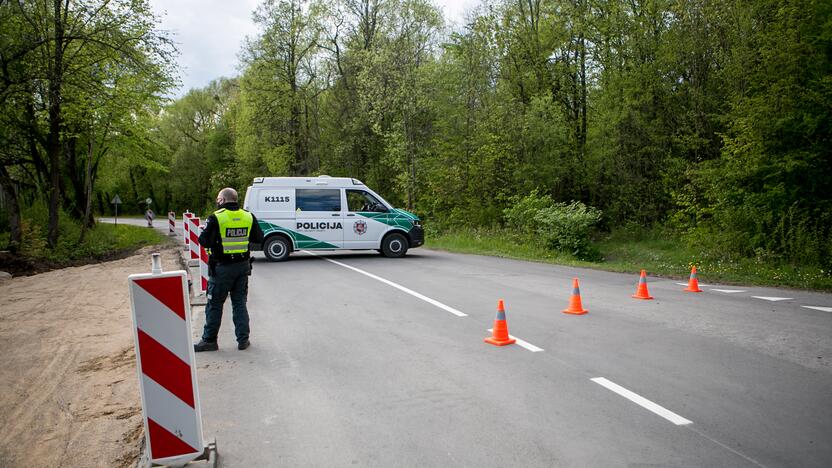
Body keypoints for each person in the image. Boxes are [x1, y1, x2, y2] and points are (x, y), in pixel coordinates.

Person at [194, 187, 264, 352]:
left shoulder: (216, 218)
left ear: (222, 200)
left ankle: (209, 340)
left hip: (222, 269)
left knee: (215, 304)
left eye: (218, 199)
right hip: (242, 267)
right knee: (239, 303)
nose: (217, 201)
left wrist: (209, 232)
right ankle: (243, 340)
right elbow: (259, 238)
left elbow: (204, 241)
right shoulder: (248, 216)